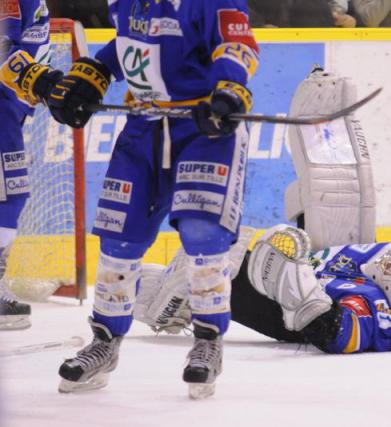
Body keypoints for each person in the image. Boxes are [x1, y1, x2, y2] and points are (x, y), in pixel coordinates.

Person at [49, 0, 259, 399]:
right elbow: (128, 42)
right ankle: (105, 343)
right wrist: (92, 73)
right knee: (118, 239)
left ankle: (208, 341)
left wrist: (229, 91)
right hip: (142, 129)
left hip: (203, 129)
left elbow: (236, 43)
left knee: (202, 234)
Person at [136, 185, 391, 353]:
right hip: (299, 267)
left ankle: (172, 304)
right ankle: (174, 294)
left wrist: (293, 284)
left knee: (216, 249)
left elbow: (328, 333)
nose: (387, 257)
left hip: (274, 303)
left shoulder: (378, 315)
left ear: (389, 292)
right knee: (226, 246)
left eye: (388, 268)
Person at [0, 0, 65, 330]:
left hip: (9, 108)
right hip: (1, 109)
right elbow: (5, 48)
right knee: (11, 195)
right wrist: (43, 81)